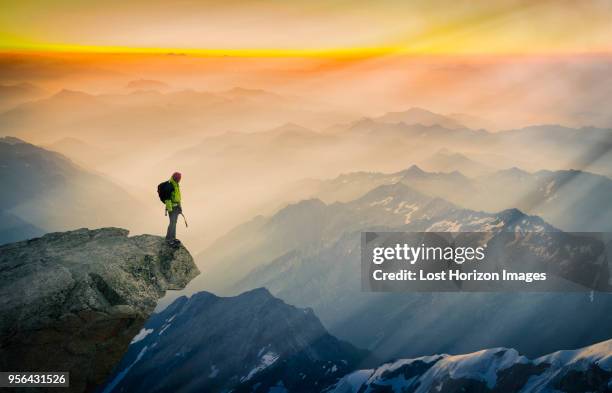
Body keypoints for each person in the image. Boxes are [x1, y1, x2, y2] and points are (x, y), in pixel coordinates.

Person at [165, 172, 182, 242]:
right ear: (176, 178)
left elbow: (178, 197)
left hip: (176, 207)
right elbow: (167, 198)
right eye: (179, 178)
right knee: (172, 222)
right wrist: (170, 209)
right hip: (172, 208)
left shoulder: (176, 184)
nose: (180, 180)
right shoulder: (170, 185)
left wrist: (180, 206)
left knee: (174, 222)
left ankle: (173, 237)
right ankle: (169, 238)